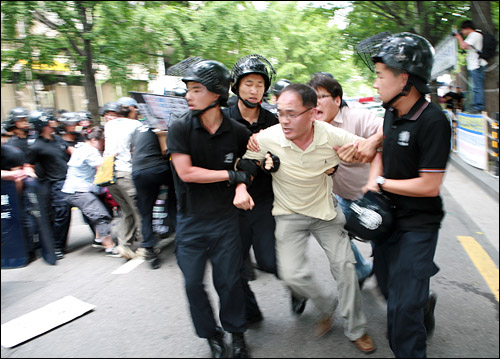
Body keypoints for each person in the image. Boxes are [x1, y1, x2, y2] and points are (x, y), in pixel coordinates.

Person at [236, 83, 376, 354]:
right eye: (280, 113)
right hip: (288, 216)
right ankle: (326, 306)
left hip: (325, 213)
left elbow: (365, 147)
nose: (284, 120)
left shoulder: (331, 134)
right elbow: (247, 162)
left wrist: (359, 153)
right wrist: (241, 185)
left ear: (312, 114)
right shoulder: (267, 137)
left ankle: (356, 329)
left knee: (346, 269)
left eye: (292, 113)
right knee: (291, 275)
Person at [356, 32, 451, 358]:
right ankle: (421, 302)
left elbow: (429, 186)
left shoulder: (434, 121)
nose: (375, 84)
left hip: (418, 224)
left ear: (405, 79)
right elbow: (382, 142)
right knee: (386, 288)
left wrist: (379, 183)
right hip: (387, 222)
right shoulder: (392, 111)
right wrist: (372, 154)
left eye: (381, 76)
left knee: (401, 310)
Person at [167, 59, 252, 358]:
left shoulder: (238, 132)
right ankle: (211, 335)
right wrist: (230, 176)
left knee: (229, 282)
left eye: (195, 89)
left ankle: (237, 332)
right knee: (192, 284)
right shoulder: (179, 128)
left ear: (216, 94)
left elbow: (249, 166)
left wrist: (242, 184)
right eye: (187, 90)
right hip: (190, 221)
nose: (188, 96)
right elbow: (186, 173)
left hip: (226, 221)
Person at [307, 73, 382, 288]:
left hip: (376, 198)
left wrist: (372, 143)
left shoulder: (357, 117)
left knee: (388, 254)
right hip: (345, 199)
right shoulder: (310, 128)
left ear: (337, 100)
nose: (315, 103)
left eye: (321, 97)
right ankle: (361, 269)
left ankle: (413, 296)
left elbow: (390, 127)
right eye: (312, 98)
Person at [223, 54, 280, 324]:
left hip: (265, 201)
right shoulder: (222, 119)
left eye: (259, 84)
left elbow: (285, 157)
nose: (254, 90)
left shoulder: (273, 121)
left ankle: (298, 288)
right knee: (233, 267)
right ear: (236, 86)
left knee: (269, 261)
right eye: (248, 84)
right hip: (230, 203)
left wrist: (274, 161)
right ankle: (250, 311)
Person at [61, 126, 121, 257]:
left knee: (102, 212)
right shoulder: (90, 151)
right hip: (79, 191)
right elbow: (103, 168)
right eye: (102, 141)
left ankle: (99, 239)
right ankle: (110, 247)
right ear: (94, 139)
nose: (103, 144)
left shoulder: (81, 148)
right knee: (101, 216)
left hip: (75, 190)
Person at [131, 121, 177, 269]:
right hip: (158, 168)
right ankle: (181, 241)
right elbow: (166, 151)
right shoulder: (161, 126)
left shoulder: (138, 129)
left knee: (146, 213)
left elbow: (133, 150)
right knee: (174, 203)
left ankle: (149, 248)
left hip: (138, 170)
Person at [27, 111, 72, 260]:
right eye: (50, 121)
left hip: (68, 180)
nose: (54, 123)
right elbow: (28, 165)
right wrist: (32, 177)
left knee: (65, 213)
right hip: (54, 183)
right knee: (61, 211)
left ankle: (60, 244)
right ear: (44, 125)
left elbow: (71, 151)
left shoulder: (57, 139)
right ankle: (56, 245)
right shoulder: (37, 146)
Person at [102, 101, 143, 259]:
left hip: (108, 174)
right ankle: (145, 246)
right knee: (139, 210)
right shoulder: (136, 125)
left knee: (126, 211)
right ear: (132, 110)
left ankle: (123, 245)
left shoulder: (109, 125)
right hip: (125, 172)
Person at [453, 20, 487, 113]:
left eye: (463, 30)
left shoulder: (474, 35)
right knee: (474, 87)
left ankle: (479, 106)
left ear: (467, 28)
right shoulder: (473, 36)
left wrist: (459, 37)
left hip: (477, 64)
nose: (462, 32)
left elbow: (463, 46)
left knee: (477, 87)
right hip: (474, 65)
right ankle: (476, 105)